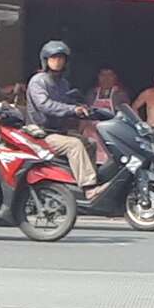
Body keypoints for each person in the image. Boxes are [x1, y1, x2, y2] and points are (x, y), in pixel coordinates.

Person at [25, 40, 106, 199]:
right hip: (41, 133)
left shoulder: (63, 83)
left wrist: (82, 109)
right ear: (46, 60)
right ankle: (89, 188)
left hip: (58, 131)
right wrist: (71, 109)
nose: (57, 61)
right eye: (53, 58)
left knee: (90, 143)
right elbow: (45, 105)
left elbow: (68, 103)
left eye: (61, 58)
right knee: (74, 145)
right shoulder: (38, 80)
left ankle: (80, 184)